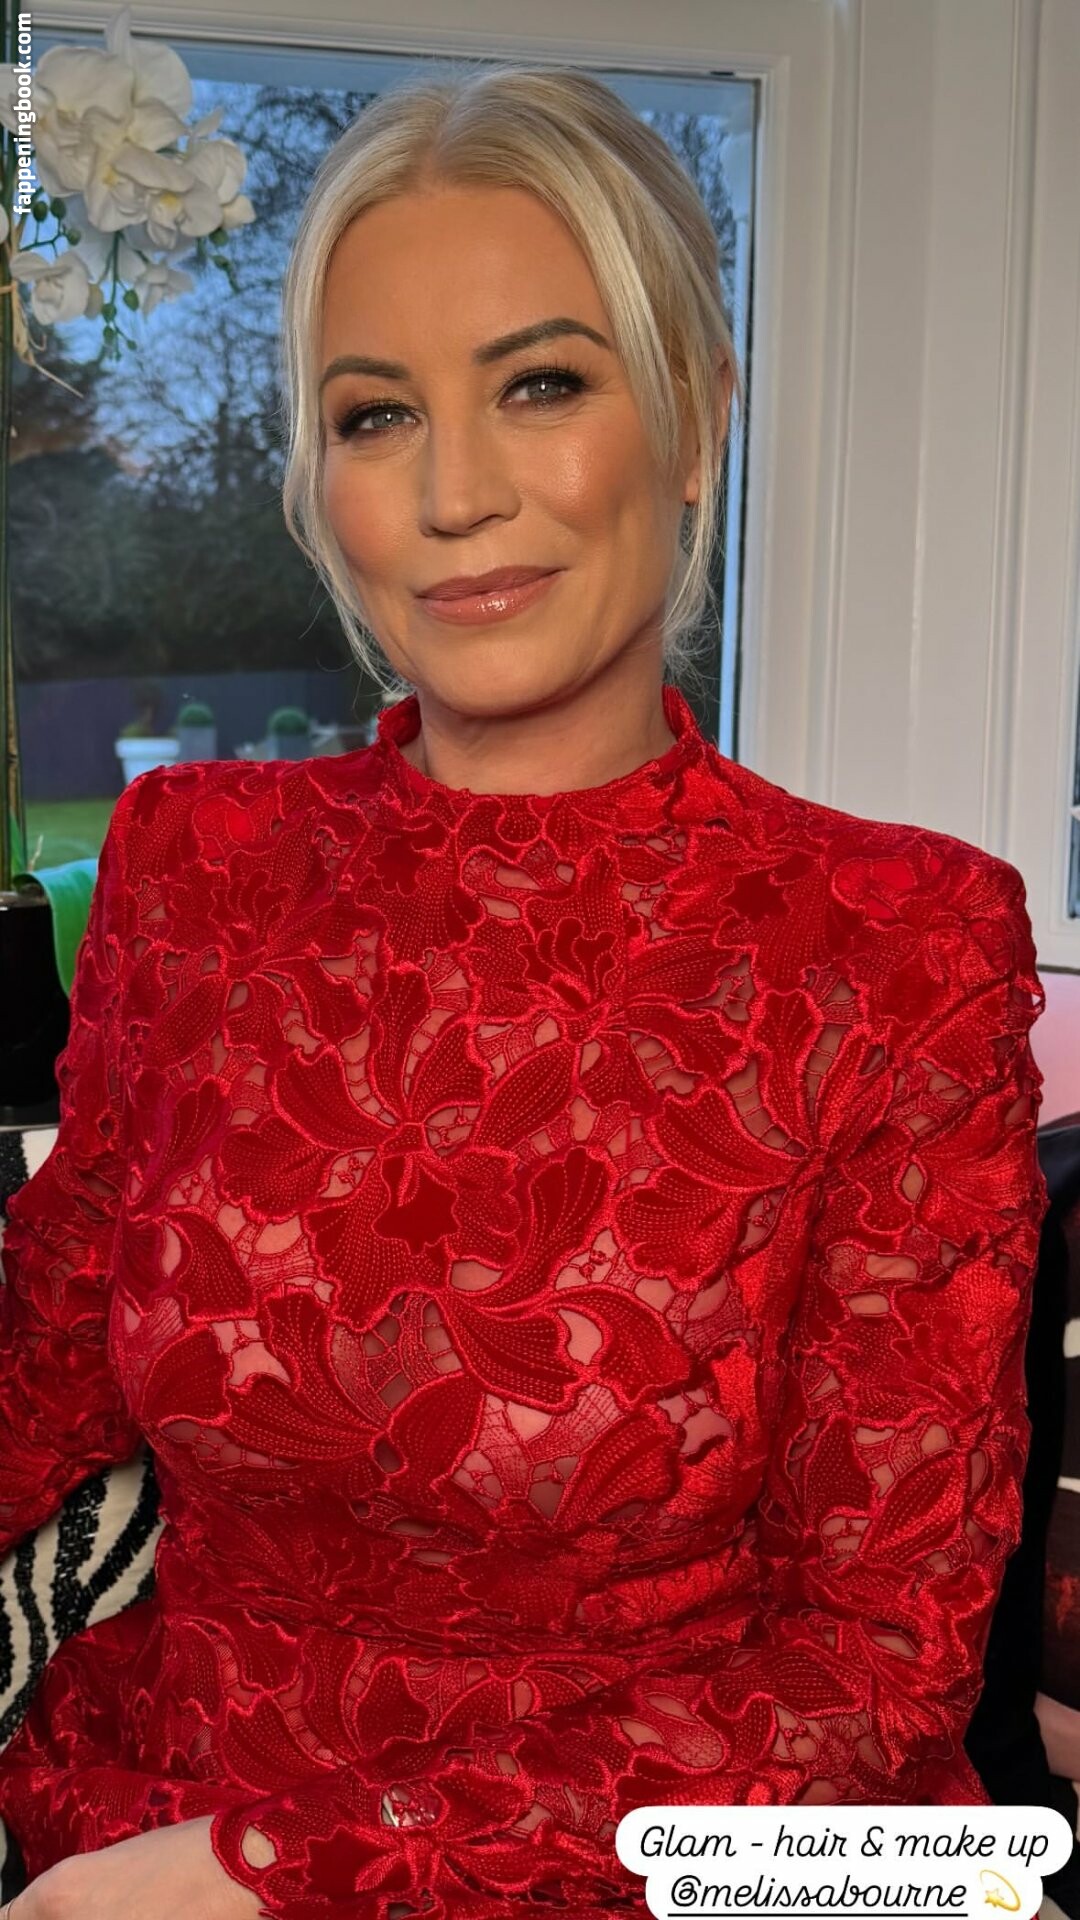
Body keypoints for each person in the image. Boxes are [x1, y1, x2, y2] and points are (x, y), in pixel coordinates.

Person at [0, 60, 1050, 1920]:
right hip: (127, 1827)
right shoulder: (196, 867)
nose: (458, 491)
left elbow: (875, 1682)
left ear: (694, 418)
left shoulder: (897, 941)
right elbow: (45, 1375)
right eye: (377, 413)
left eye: (541, 384)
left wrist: (277, 1876)